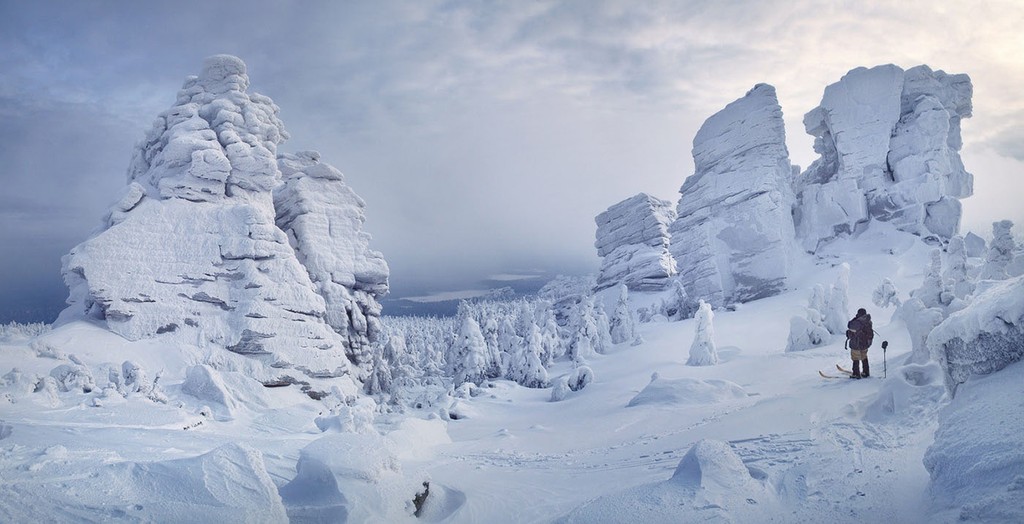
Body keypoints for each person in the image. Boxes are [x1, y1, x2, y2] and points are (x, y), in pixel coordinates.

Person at [846, 308, 873, 379]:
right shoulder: (868, 321)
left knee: (855, 358)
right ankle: (866, 372)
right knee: (864, 357)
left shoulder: (858, 321)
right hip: (865, 343)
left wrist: (855, 318)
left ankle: (856, 373)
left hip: (856, 343)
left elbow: (849, 325)